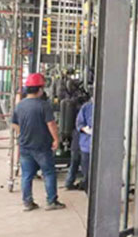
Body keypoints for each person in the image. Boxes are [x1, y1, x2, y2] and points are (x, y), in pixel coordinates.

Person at [12, 73, 65, 212]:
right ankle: (51, 201)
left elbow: (14, 124)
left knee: (27, 175)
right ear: (40, 89)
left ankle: (28, 202)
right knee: (48, 173)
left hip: (25, 146)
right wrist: (56, 139)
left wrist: (22, 134)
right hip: (42, 146)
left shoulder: (19, 106)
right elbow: (51, 124)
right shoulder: (44, 105)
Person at [75, 96, 94, 195]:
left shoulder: (109, 107)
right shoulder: (86, 107)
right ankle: (89, 194)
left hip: (104, 147)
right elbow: (79, 124)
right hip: (87, 146)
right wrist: (85, 129)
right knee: (87, 173)